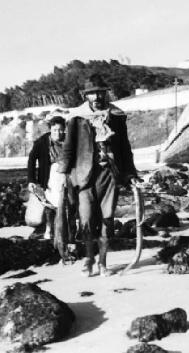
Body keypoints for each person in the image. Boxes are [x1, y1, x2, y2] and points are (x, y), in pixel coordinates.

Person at [56, 73, 140, 277]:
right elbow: (68, 148)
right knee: (85, 219)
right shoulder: (76, 118)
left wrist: (130, 172)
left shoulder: (116, 116)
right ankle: (88, 257)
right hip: (83, 176)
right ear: (86, 96)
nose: (97, 97)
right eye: (92, 94)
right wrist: (63, 173)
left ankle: (102, 262)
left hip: (109, 174)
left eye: (100, 93)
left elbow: (124, 147)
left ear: (105, 93)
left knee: (107, 220)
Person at [27, 116, 67, 240]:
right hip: (49, 178)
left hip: (65, 178)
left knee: (64, 205)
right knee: (49, 205)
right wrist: (32, 180)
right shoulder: (42, 142)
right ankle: (49, 229)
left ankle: (64, 232)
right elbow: (31, 160)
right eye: (55, 130)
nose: (58, 133)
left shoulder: (68, 141)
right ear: (50, 129)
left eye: (60, 130)